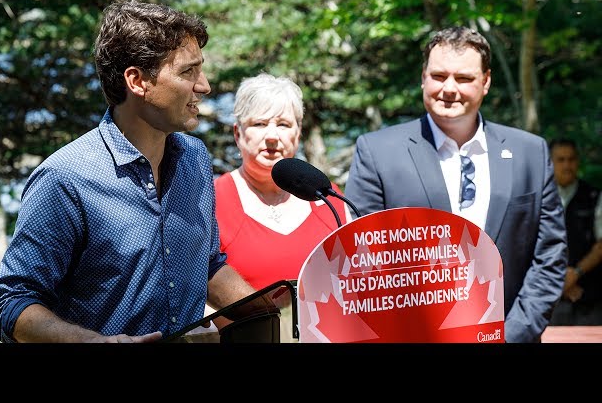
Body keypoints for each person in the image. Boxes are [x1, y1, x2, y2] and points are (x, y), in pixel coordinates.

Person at [0, 0, 263, 343]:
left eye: (201, 68)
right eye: (188, 71)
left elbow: (208, 265)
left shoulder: (195, 158)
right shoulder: (64, 178)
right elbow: (13, 304)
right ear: (137, 81)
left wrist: (272, 314)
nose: (205, 85)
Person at [344, 25, 568, 343]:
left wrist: (508, 335)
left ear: (486, 82)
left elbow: (550, 256)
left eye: (463, 78)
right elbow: (362, 262)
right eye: (438, 76)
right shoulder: (377, 152)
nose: (449, 88)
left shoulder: (530, 152)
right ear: (423, 77)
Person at [214, 72, 351, 291]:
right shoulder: (211, 200)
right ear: (238, 133)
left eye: (284, 125)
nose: (272, 136)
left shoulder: (328, 196)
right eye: (259, 123)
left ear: (298, 134)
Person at [548, 138, 602, 325]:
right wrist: (560, 281)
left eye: (571, 159)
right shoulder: (538, 198)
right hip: (547, 299)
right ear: (550, 162)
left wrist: (575, 274)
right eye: (560, 160)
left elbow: (601, 246)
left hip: (588, 299)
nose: (567, 165)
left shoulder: (594, 196)